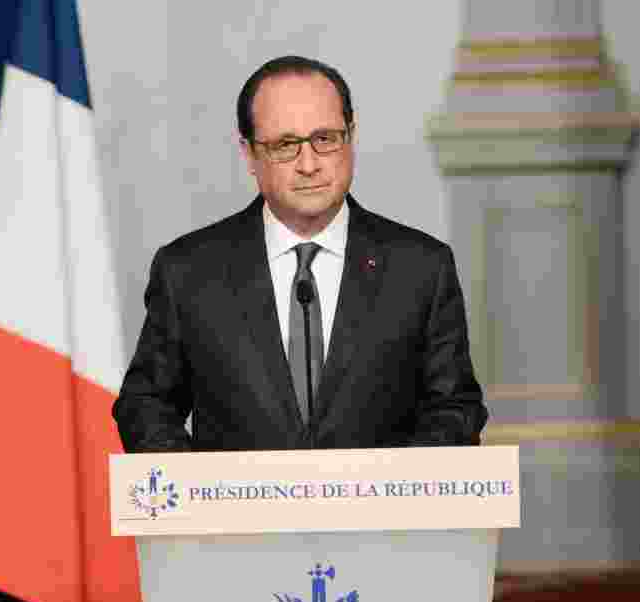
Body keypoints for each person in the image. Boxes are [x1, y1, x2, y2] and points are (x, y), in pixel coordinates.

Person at [112, 55, 488, 452]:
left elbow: (455, 409)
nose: (309, 164)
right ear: (249, 154)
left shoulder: (421, 268)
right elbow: (145, 405)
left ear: (351, 136)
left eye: (324, 139)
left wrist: (393, 490)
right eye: (285, 145)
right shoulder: (188, 271)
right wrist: (202, 494)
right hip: (238, 514)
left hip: (379, 513)